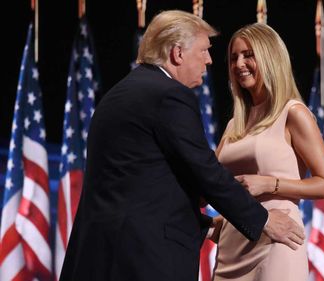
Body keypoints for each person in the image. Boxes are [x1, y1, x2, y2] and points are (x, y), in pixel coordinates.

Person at [59, 10, 305, 281]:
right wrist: (265, 220)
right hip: (143, 259)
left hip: (99, 255)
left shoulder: (117, 95)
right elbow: (204, 171)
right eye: (203, 51)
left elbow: (145, 185)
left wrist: (203, 224)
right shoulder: (169, 95)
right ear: (178, 53)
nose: (210, 61)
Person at [210, 23, 324, 280]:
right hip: (232, 242)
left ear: (269, 57)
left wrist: (270, 183)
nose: (239, 64)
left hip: (276, 238)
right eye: (234, 57)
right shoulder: (234, 123)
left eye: (248, 55)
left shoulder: (293, 113)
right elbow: (212, 181)